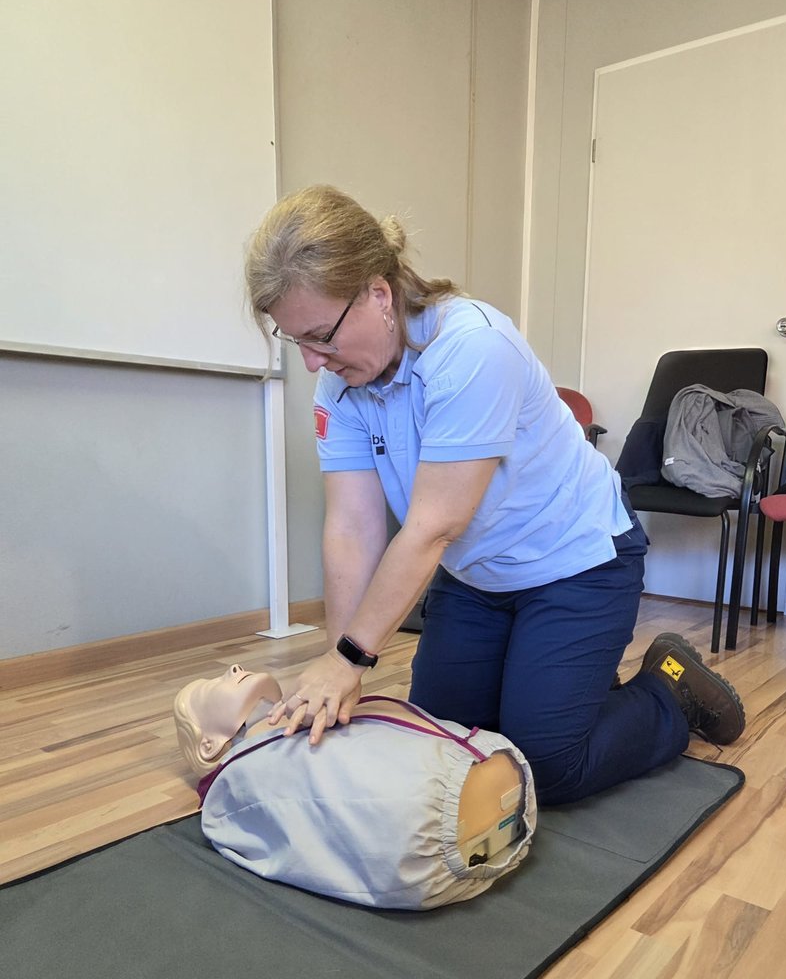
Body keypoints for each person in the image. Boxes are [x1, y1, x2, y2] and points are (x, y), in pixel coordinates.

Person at [243, 185, 745, 807]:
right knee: (445, 747)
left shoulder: (472, 347)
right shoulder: (341, 387)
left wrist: (351, 659)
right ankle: (562, 684)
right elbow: (351, 526)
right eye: (299, 344)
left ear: (379, 293)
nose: (314, 363)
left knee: (548, 764)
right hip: (477, 580)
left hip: (577, 564)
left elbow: (430, 526)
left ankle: (667, 691)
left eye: (321, 336)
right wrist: (338, 672)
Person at [173, 663, 535, 909]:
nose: (233, 668)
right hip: (435, 811)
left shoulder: (301, 714)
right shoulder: (240, 776)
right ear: (208, 744)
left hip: (452, 788)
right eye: (210, 686)